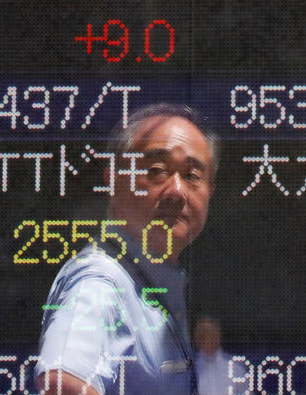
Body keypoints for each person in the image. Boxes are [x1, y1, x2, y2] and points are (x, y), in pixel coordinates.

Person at [35, 104, 218, 395]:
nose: (177, 191)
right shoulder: (99, 282)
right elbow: (61, 385)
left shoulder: (156, 282)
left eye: (192, 175)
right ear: (113, 179)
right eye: (157, 170)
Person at [193, 316, 246, 395]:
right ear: (197, 338)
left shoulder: (235, 367)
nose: (208, 339)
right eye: (203, 335)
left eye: (212, 334)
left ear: (218, 336)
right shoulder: (191, 369)